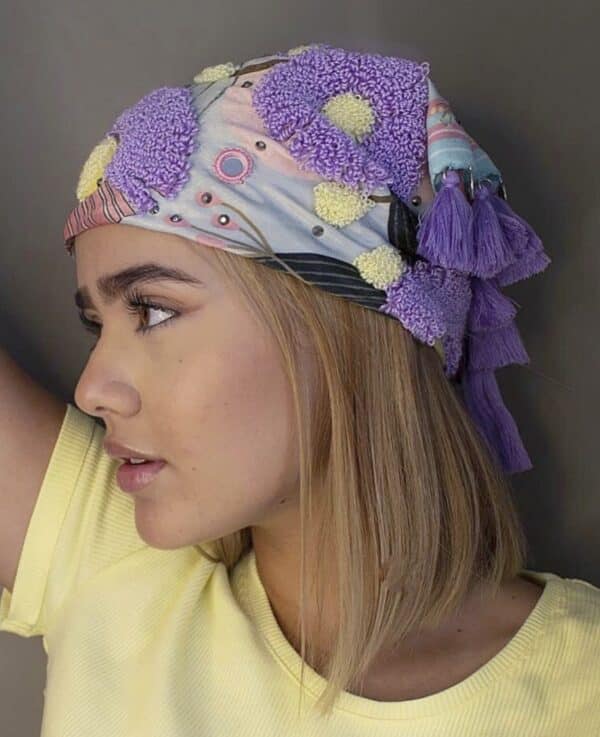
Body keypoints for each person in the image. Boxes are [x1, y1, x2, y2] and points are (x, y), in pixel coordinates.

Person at [1, 43, 599, 735]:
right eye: (95, 326)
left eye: (153, 311)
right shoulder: (114, 566)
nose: (93, 389)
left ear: (340, 323)